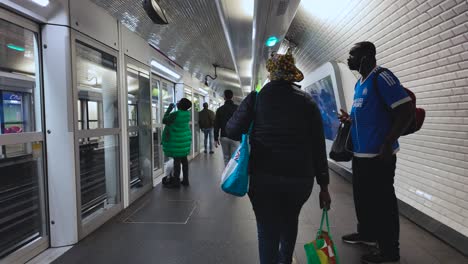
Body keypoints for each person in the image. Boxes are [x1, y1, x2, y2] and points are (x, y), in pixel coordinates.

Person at [226, 49, 331, 264]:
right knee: (290, 220)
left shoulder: (256, 99)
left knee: (267, 230)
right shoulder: (308, 102)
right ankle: (285, 261)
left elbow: (232, 131)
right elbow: (318, 146)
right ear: (291, 72)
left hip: (264, 177)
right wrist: (324, 186)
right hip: (299, 179)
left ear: (270, 73)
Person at [339, 41, 413, 264]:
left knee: (383, 204)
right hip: (361, 155)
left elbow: (406, 110)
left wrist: (388, 142)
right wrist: (350, 119)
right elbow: (367, 114)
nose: (348, 58)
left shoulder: (382, 77)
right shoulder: (359, 83)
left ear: (366, 56)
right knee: (363, 199)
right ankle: (368, 234)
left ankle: (390, 252)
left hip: (380, 156)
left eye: (352, 55)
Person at [161, 98, 192, 187]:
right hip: (183, 140)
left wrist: (169, 109)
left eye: (179, 102)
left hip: (176, 141)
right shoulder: (187, 114)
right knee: (184, 161)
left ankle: (176, 182)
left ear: (180, 105)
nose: (177, 103)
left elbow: (164, 120)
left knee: (177, 162)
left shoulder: (175, 114)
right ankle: (186, 180)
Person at [214, 89, 239, 165]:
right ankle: (232, 175)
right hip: (235, 136)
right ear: (232, 97)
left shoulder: (219, 110)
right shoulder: (237, 108)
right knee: (234, 158)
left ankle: (226, 175)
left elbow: (216, 125)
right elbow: (241, 122)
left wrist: (215, 138)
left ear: (224, 97)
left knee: (226, 157)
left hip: (224, 136)